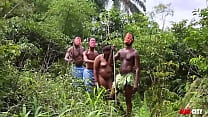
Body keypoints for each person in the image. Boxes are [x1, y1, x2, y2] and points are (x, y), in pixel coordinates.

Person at [112, 32, 140, 116]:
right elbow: (112, 60)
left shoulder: (134, 52)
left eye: (128, 37)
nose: (126, 38)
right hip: (120, 76)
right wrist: (111, 51)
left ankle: (128, 115)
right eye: (125, 37)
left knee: (128, 99)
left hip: (129, 76)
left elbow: (138, 68)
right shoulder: (120, 51)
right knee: (112, 96)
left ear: (131, 40)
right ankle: (122, 112)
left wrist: (135, 83)